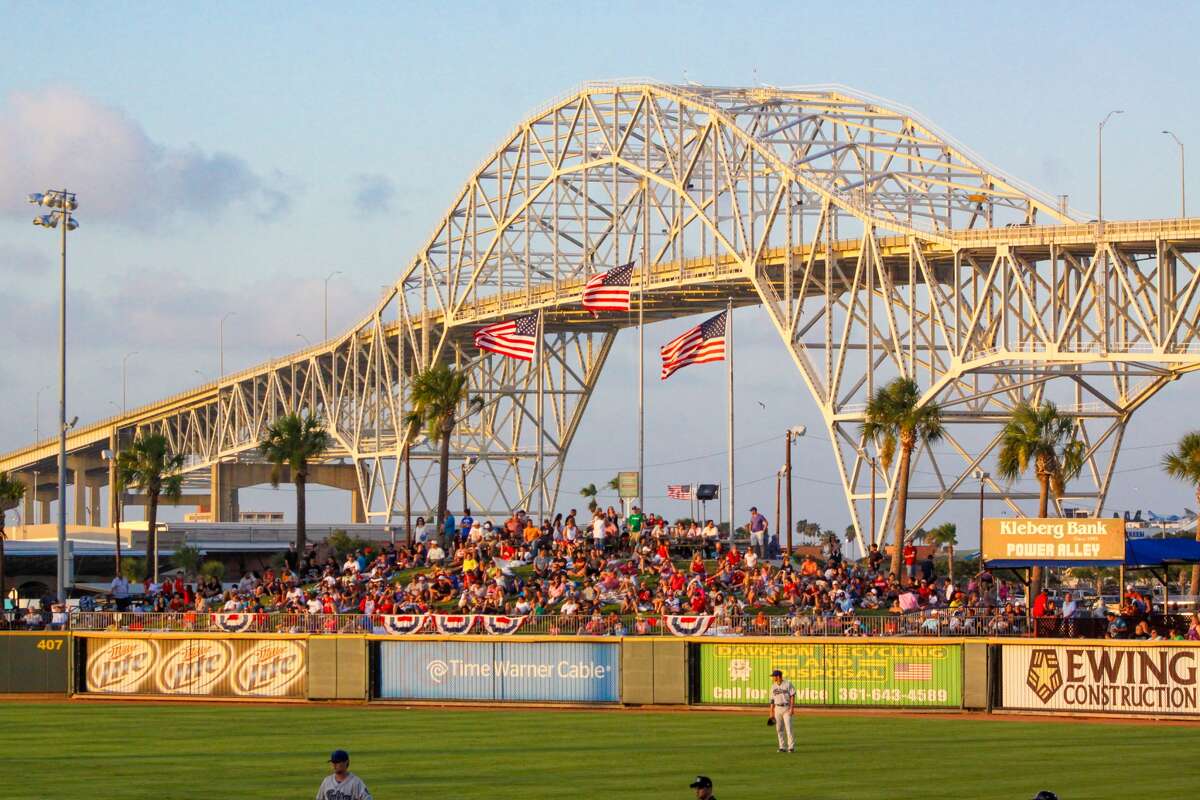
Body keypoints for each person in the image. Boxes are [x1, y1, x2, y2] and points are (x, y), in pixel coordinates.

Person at [767, 668, 796, 752]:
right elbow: (772, 700)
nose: (773, 678)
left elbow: (792, 695)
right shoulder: (773, 686)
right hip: (777, 709)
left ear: (778, 676)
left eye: (774, 676)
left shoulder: (788, 683)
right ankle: (782, 747)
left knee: (788, 728)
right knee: (779, 728)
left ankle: (791, 747)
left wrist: (792, 708)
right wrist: (771, 712)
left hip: (786, 708)